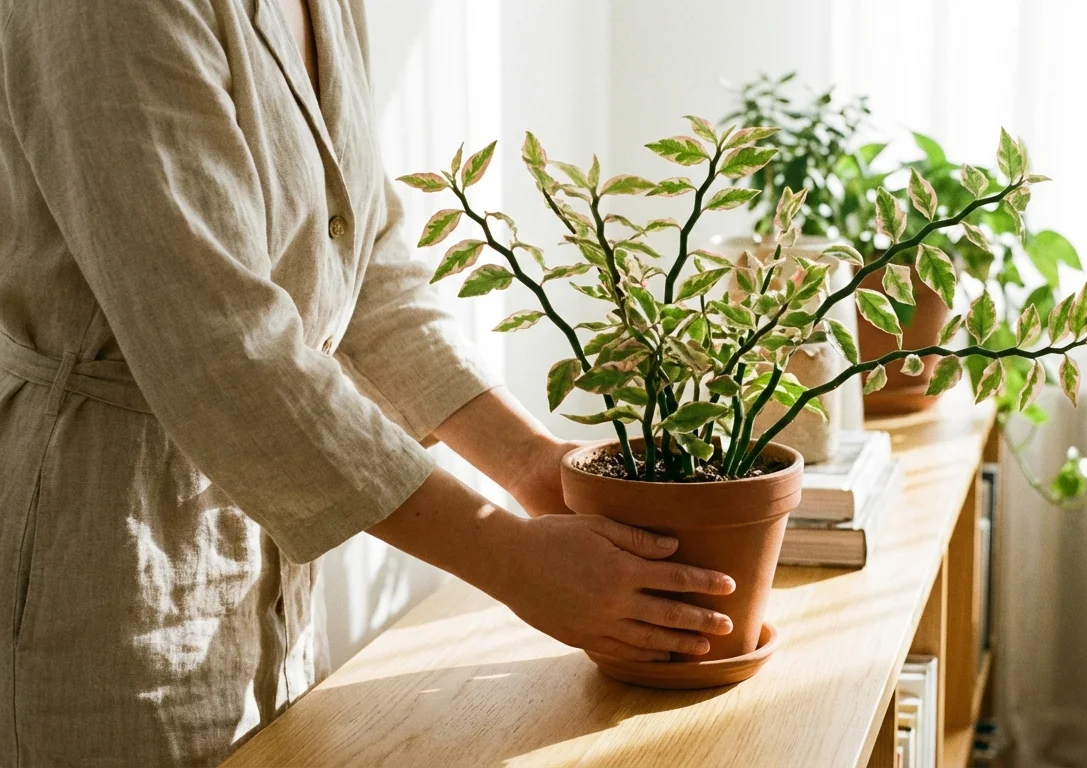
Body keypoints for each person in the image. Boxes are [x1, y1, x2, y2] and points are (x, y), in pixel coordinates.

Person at [0, 0, 734, 764]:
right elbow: (221, 347)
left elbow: (361, 257)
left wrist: (534, 465)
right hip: (114, 571)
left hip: (266, 574)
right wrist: (510, 559)